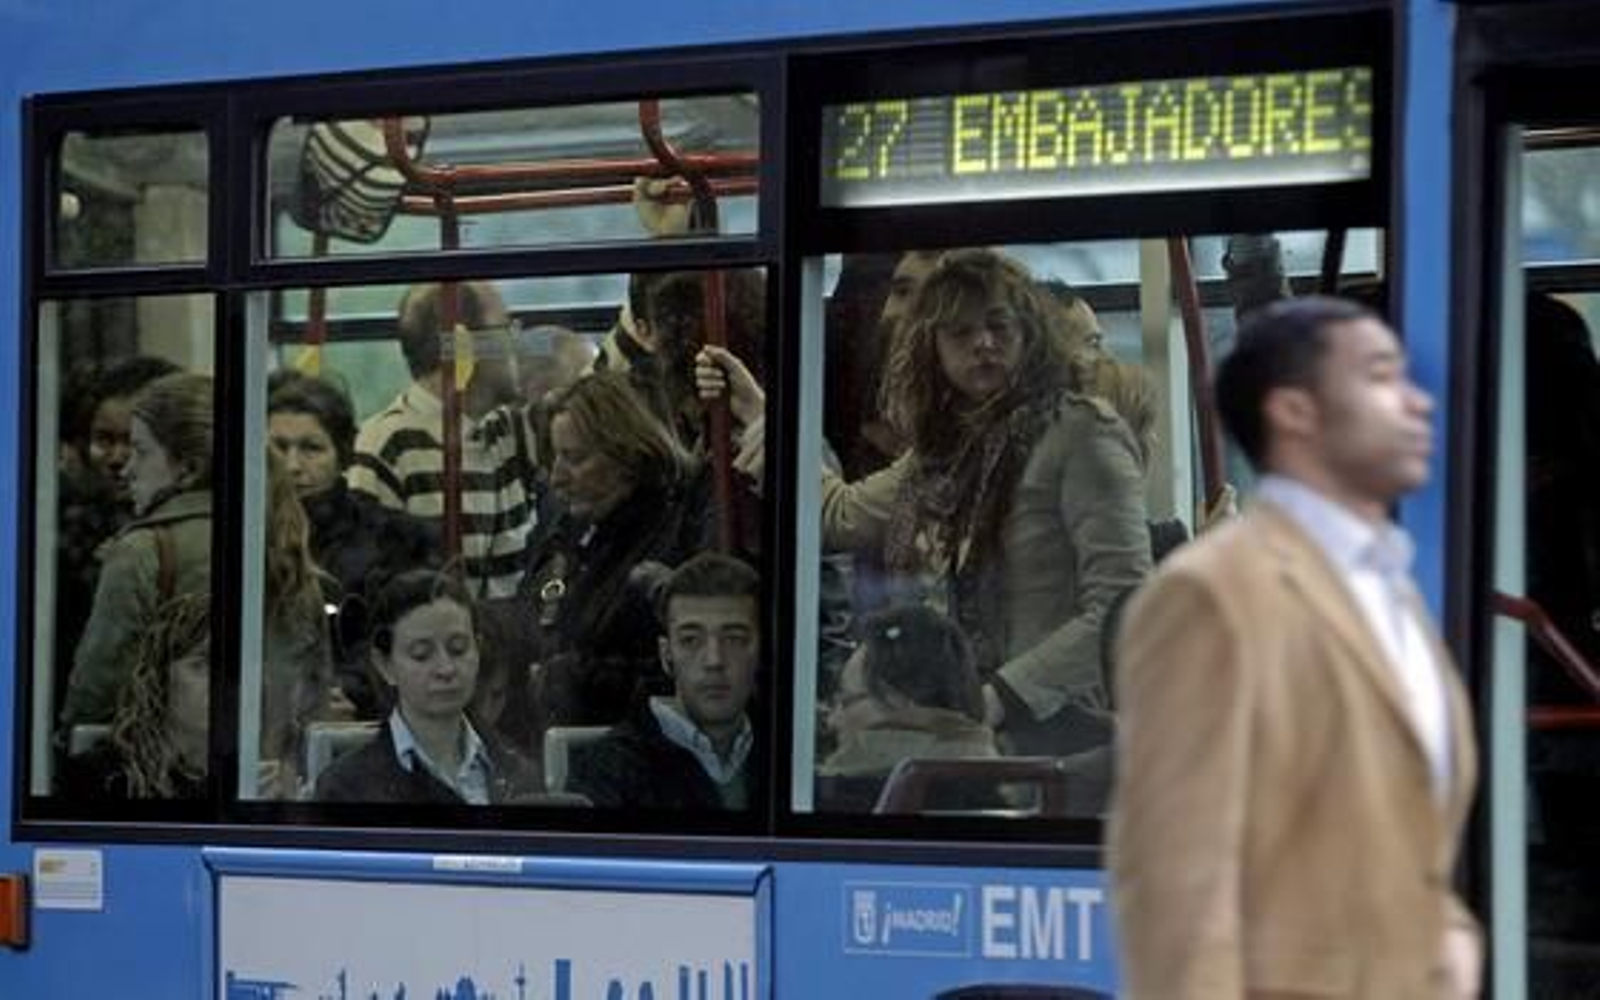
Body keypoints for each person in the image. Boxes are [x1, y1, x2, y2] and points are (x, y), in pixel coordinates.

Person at [1108, 296, 1480, 999]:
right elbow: (1176, 883)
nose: (1419, 403)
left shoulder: (1388, 586)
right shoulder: (1210, 594)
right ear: (1294, 412)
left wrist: (1449, 936)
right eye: (1381, 377)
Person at [699, 248, 1151, 756]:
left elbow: (1125, 601)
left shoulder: (1082, 433)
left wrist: (1005, 696)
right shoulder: (945, 452)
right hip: (966, 730)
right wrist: (761, 413)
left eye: (999, 326)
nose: (983, 343)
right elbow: (839, 515)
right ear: (933, 349)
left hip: (1063, 727)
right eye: (960, 332)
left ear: (1029, 334)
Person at [516, 372, 710, 735]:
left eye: (575, 458)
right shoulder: (568, 532)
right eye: (555, 457)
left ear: (627, 455)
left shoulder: (673, 540)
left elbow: (675, 674)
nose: (557, 477)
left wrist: (568, 680)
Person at [346, 281, 538, 598]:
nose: (517, 343)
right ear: (463, 346)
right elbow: (374, 583)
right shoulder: (388, 445)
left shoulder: (511, 431)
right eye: (506, 328)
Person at [268, 370, 438, 715]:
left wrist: (354, 691)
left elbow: (403, 638)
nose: (292, 466)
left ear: (342, 455)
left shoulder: (394, 541)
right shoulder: (243, 539)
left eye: (311, 448)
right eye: (279, 448)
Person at [62, 372, 213, 728]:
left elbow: (95, 693)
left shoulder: (141, 550)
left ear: (189, 468)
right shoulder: (278, 533)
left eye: (140, 451)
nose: (125, 466)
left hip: (159, 749)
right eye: (105, 439)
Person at [313, 569, 541, 804]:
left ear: (478, 648)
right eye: (421, 654)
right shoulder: (347, 788)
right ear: (385, 665)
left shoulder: (520, 774)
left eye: (458, 649)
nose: (446, 669)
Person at [567, 552, 762, 811]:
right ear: (666, 654)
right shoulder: (607, 771)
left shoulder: (788, 756)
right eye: (691, 640)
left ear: (760, 650)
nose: (714, 660)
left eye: (734, 639)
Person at [816, 605, 997, 813]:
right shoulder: (1000, 781)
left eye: (845, 700)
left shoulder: (831, 796)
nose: (833, 720)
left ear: (897, 703)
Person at [74, 592, 212, 799]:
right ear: (159, 676)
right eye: (203, 664)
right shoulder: (99, 779)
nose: (223, 684)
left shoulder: (241, 780)